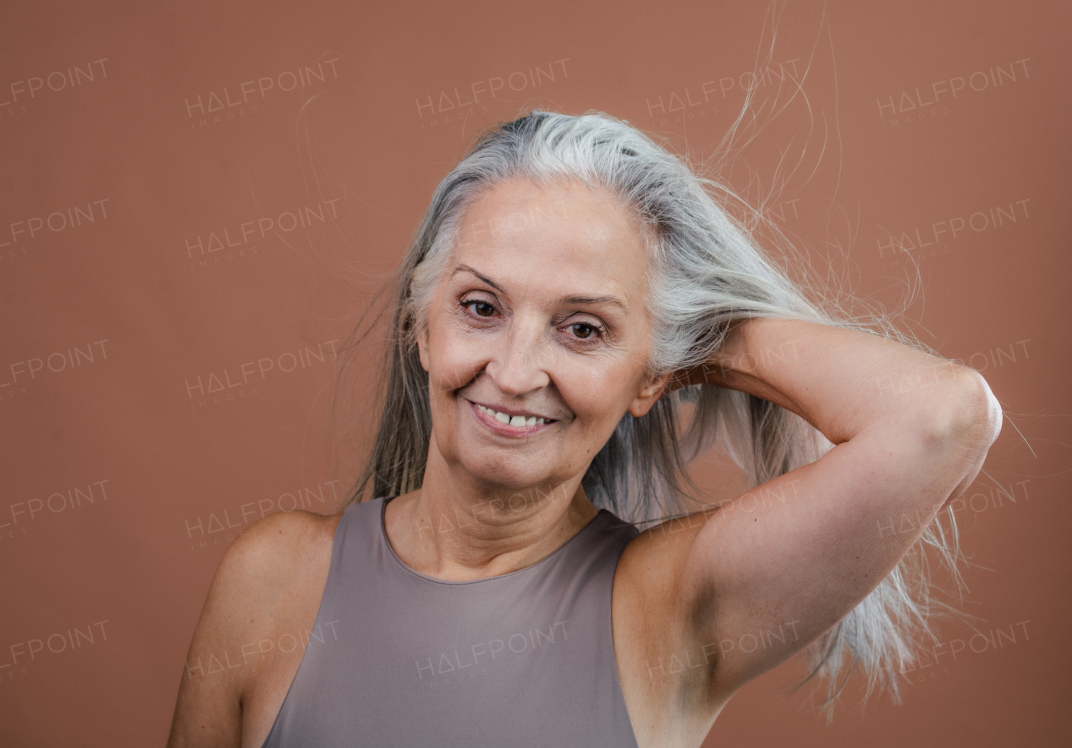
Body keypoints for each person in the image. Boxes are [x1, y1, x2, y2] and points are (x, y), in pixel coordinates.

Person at [167, 110, 1002, 748]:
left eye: (583, 330)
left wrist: (688, 336)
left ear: (651, 378)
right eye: (481, 307)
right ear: (421, 325)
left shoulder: (667, 608)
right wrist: (624, 332)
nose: (517, 369)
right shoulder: (271, 579)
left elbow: (943, 417)